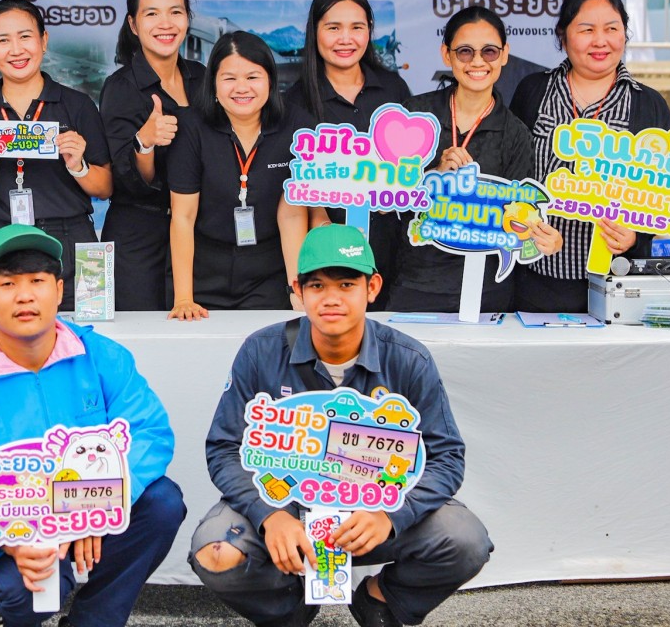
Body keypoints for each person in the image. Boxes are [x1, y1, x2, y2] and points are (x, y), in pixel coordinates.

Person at [189, 224, 493, 627]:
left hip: (375, 510)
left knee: (465, 540)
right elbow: (225, 448)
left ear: (372, 287)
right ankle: (290, 609)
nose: (331, 298)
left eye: (347, 284)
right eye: (317, 286)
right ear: (298, 291)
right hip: (286, 505)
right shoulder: (261, 351)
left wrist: (391, 515)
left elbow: (447, 457)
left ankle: (380, 600)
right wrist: (269, 515)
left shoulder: (408, 359)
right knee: (215, 551)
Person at [0, 224, 185, 627]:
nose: (25, 295)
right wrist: (7, 542)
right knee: (28, 595)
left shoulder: (102, 356)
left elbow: (149, 433)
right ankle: (9, 611)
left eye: (37, 281)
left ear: (60, 291)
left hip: (95, 500)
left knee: (163, 503)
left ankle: (94, 621)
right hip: (14, 520)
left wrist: (93, 507)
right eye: (7, 283)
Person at [510, 0, 670, 313]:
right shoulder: (533, 91)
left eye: (612, 28)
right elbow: (510, 171)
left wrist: (636, 236)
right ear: (563, 35)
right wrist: (525, 221)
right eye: (587, 29)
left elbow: (668, 188)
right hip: (535, 282)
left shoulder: (648, 104)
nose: (600, 41)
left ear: (624, 34)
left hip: (617, 284)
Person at [388, 6, 562, 313]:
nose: (478, 62)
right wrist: (432, 175)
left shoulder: (516, 134)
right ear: (447, 54)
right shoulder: (415, 116)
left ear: (504, 55)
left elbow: (519, 215)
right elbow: (385, 199)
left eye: (489, 51)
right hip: (416, 284)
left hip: (487, 289)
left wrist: (543, 239)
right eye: (465, 51)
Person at [0, 0, 111, 311]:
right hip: (3, 238)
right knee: (4, 334)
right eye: (3, 40)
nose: (16, 50)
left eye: (25, 36)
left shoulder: (78, 106)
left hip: (73, 239)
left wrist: (78, 165)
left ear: (44, 40)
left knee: (87, 327)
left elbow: (105, 188)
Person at [166, 31, 326, 320]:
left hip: (268, 272)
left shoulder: (298, 126)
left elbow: (292, 215)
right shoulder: (191, 126)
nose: (242, 88)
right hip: (203, 270)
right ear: (213, 83)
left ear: (270, 81)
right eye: (229, 78)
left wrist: (296, 288)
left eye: (253, 77)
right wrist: (184, 298)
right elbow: (183, 217)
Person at [285, 0, 412, 307]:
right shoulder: (295, 102)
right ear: (315, 32)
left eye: (357, 27)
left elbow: (412, 166)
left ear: (369, 30)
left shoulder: (394, 90)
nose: (346, 39)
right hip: (326, 262)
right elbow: (289, 190)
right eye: (333, 28)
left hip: (392, 258)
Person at [99, 0, 205, 310]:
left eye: (175, 12)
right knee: (140, 332)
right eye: (152, 13)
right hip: (139, 241)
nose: (165, 23)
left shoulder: (203, 78)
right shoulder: (121, 88)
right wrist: (144, 142)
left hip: (199, 234)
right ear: (133, 24)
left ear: (187, 18)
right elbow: (126, 181)